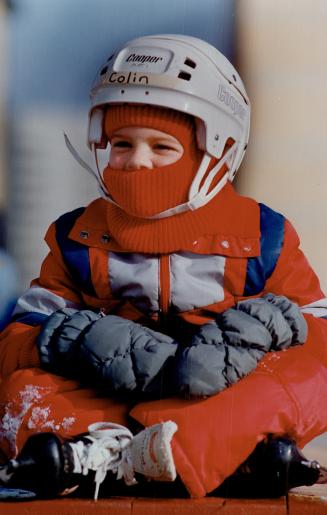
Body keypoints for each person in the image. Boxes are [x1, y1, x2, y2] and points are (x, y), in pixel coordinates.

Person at [0, 34, 327, 500]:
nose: (137, 162)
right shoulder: (79, 238)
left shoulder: (262, 236)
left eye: (162, 147)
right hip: (113, 401)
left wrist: (259, 329)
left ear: (215, 150)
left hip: (217, 397)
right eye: (120, 143)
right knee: (22, 388)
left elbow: (318, 327)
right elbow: (17, 337)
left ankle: (158, 455)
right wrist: (78, 338)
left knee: (312, 378)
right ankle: (152, 457)